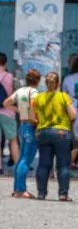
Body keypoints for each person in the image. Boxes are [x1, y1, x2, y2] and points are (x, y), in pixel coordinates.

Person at [30, 72, 77, 201]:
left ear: (46, 83)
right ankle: (63, 194)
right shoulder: (63, 97)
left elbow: (32, 118)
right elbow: (73, 115)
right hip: (61, 133)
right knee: (63, 165)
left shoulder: (38, 98)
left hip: (43, 133)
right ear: (58, 84)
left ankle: (41, 193)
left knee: (44, 164)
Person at [4, 68, 41, 198]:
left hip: (22, 125)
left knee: (21, 159)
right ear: (38, 80)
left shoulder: (20, 91)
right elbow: (34, 110)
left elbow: (6, 103)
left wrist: (19, 110)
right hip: (31, 126)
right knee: (26, 160)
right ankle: (21, 190)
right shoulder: (35, 93)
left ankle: (17, 189)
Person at [0, 52, 18, 169]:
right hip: (8, 111)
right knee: (13, 140)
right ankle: (18, 166)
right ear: (5, 62)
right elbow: (16, 94)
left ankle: (0, 167)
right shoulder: (10, 77)